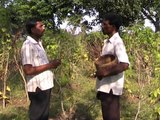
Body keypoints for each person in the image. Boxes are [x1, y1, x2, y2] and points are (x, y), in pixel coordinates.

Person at [21, 18, 61, 120]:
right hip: (38, 88)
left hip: (45, 86)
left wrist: (51, 64)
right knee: (37, 116)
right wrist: (50, 65)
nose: (44, 28)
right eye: (41, 26)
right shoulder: (28, 45)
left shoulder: (38, 43)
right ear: (33, 29)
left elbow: (38, 64)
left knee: (43, 115)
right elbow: (28, 70)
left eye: (44, 26)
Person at [95, 13, 130, 120]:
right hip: (105, 87)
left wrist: (104, 72)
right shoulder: (107, 42)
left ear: (113, 27)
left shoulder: (117, 42)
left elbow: (124, 64)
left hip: (111, 89)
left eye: (105, 24)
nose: (102, 26)